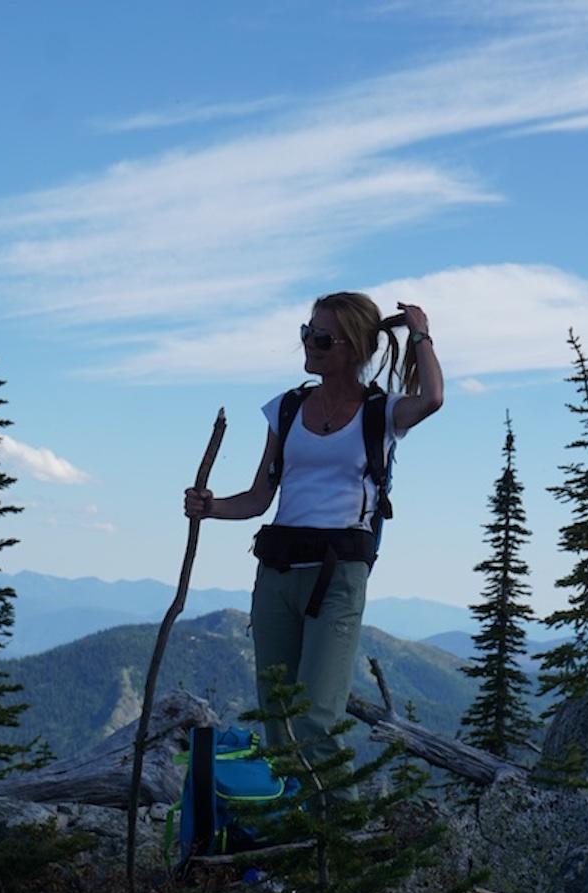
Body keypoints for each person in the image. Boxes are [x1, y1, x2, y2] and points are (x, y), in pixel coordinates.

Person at [183, 291, 443, 802]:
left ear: (352, 347)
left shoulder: (381, 412)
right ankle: (293, 834)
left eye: (321, 337)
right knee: (277, 714)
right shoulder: (287, 408)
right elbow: (261, 496)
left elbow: (432, 398)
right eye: (307, 332)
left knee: (317, 716)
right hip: (277, 571)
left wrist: (421, 333)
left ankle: (336, 845)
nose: (309, 344)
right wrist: (210, 507)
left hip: (339, 576)